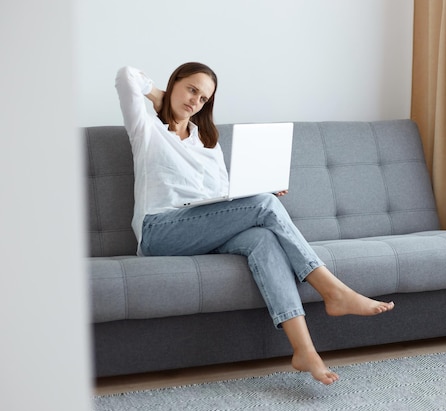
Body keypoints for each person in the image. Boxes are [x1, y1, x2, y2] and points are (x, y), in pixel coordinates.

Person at [115, 63, 394, 385]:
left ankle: (304, 350)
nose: (196, 101)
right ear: (174, 83)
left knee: (262, 236)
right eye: (191, 89)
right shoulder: (146, 128)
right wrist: (162, 99)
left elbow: (219, 197)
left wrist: (257, 192)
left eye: (204, 98)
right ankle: (334, 290)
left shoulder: (207, 142)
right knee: (264, 206)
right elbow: (126, 76)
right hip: (160, 231)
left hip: (203, 228)